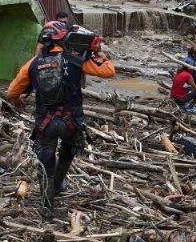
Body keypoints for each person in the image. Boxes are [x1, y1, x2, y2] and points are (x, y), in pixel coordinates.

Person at [8, 22, 116, 219]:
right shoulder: (76, 60)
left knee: (46, 163)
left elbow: (12, 91)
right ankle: (58, 184)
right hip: (71, 122)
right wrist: (100, 54)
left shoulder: (33, 64)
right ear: (64, 39)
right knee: (68, 152)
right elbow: (109, 71)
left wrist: (17, 101)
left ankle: (47, 207)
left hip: (45, 125)